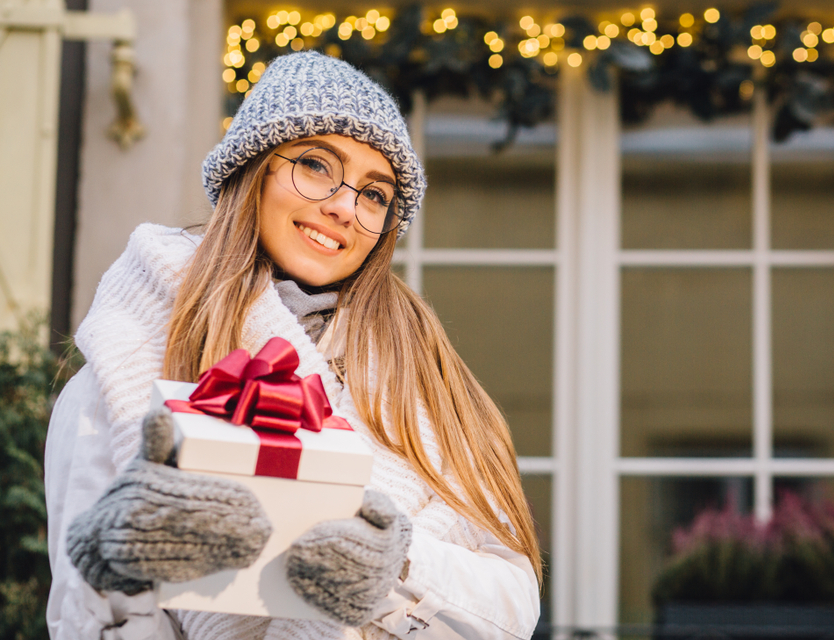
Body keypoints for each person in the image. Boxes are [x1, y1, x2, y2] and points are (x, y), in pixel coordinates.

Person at [44, 52, 542, 640]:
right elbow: (89, 616)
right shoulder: (119, 372)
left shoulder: (426, 386)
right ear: (251, 170)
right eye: (315, 165)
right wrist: (126, 555)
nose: (344, 207)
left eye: (376, 195)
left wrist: (393, 562)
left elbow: (512, 600)